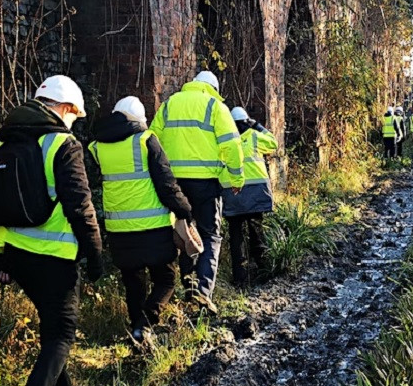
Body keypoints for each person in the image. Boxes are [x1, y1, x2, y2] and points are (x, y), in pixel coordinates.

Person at [0, 75, 104, 386]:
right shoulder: (62, 144)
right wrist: (95, 255)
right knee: (61, 334)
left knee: (50, 322)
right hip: (55, 258)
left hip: (14, 256)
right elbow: (81, 208)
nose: (74, 122)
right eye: (74, 116)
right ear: (65, 109)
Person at [87, 96, 194, 347]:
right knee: (165, 279)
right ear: (140, 120)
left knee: (133, 283)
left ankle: (137, 328)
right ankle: (145, 323)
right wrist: (184, 210)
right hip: (153, 228)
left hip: (118, 230)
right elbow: (167, 184)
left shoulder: (96, 147)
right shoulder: (146, 141)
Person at [150, 71, 244, 314]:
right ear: (213, 87)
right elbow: (232, 145)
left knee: (184, 232)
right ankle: (201, 292)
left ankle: (188, 283)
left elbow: (152, 140)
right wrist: (236, 177)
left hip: (174, 183)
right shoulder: (214, 105)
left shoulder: (170, 104)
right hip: (205, 183)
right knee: (209, 235)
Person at [221, 107, 278, 286]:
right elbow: (274, 143)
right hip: (255, 196)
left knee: (236, 236)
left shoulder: (222, 140)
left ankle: (239, 278)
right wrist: (258, 125)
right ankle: (262, 271)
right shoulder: (254, 136)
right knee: (256, 233)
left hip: (233, 195)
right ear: (247, 121)